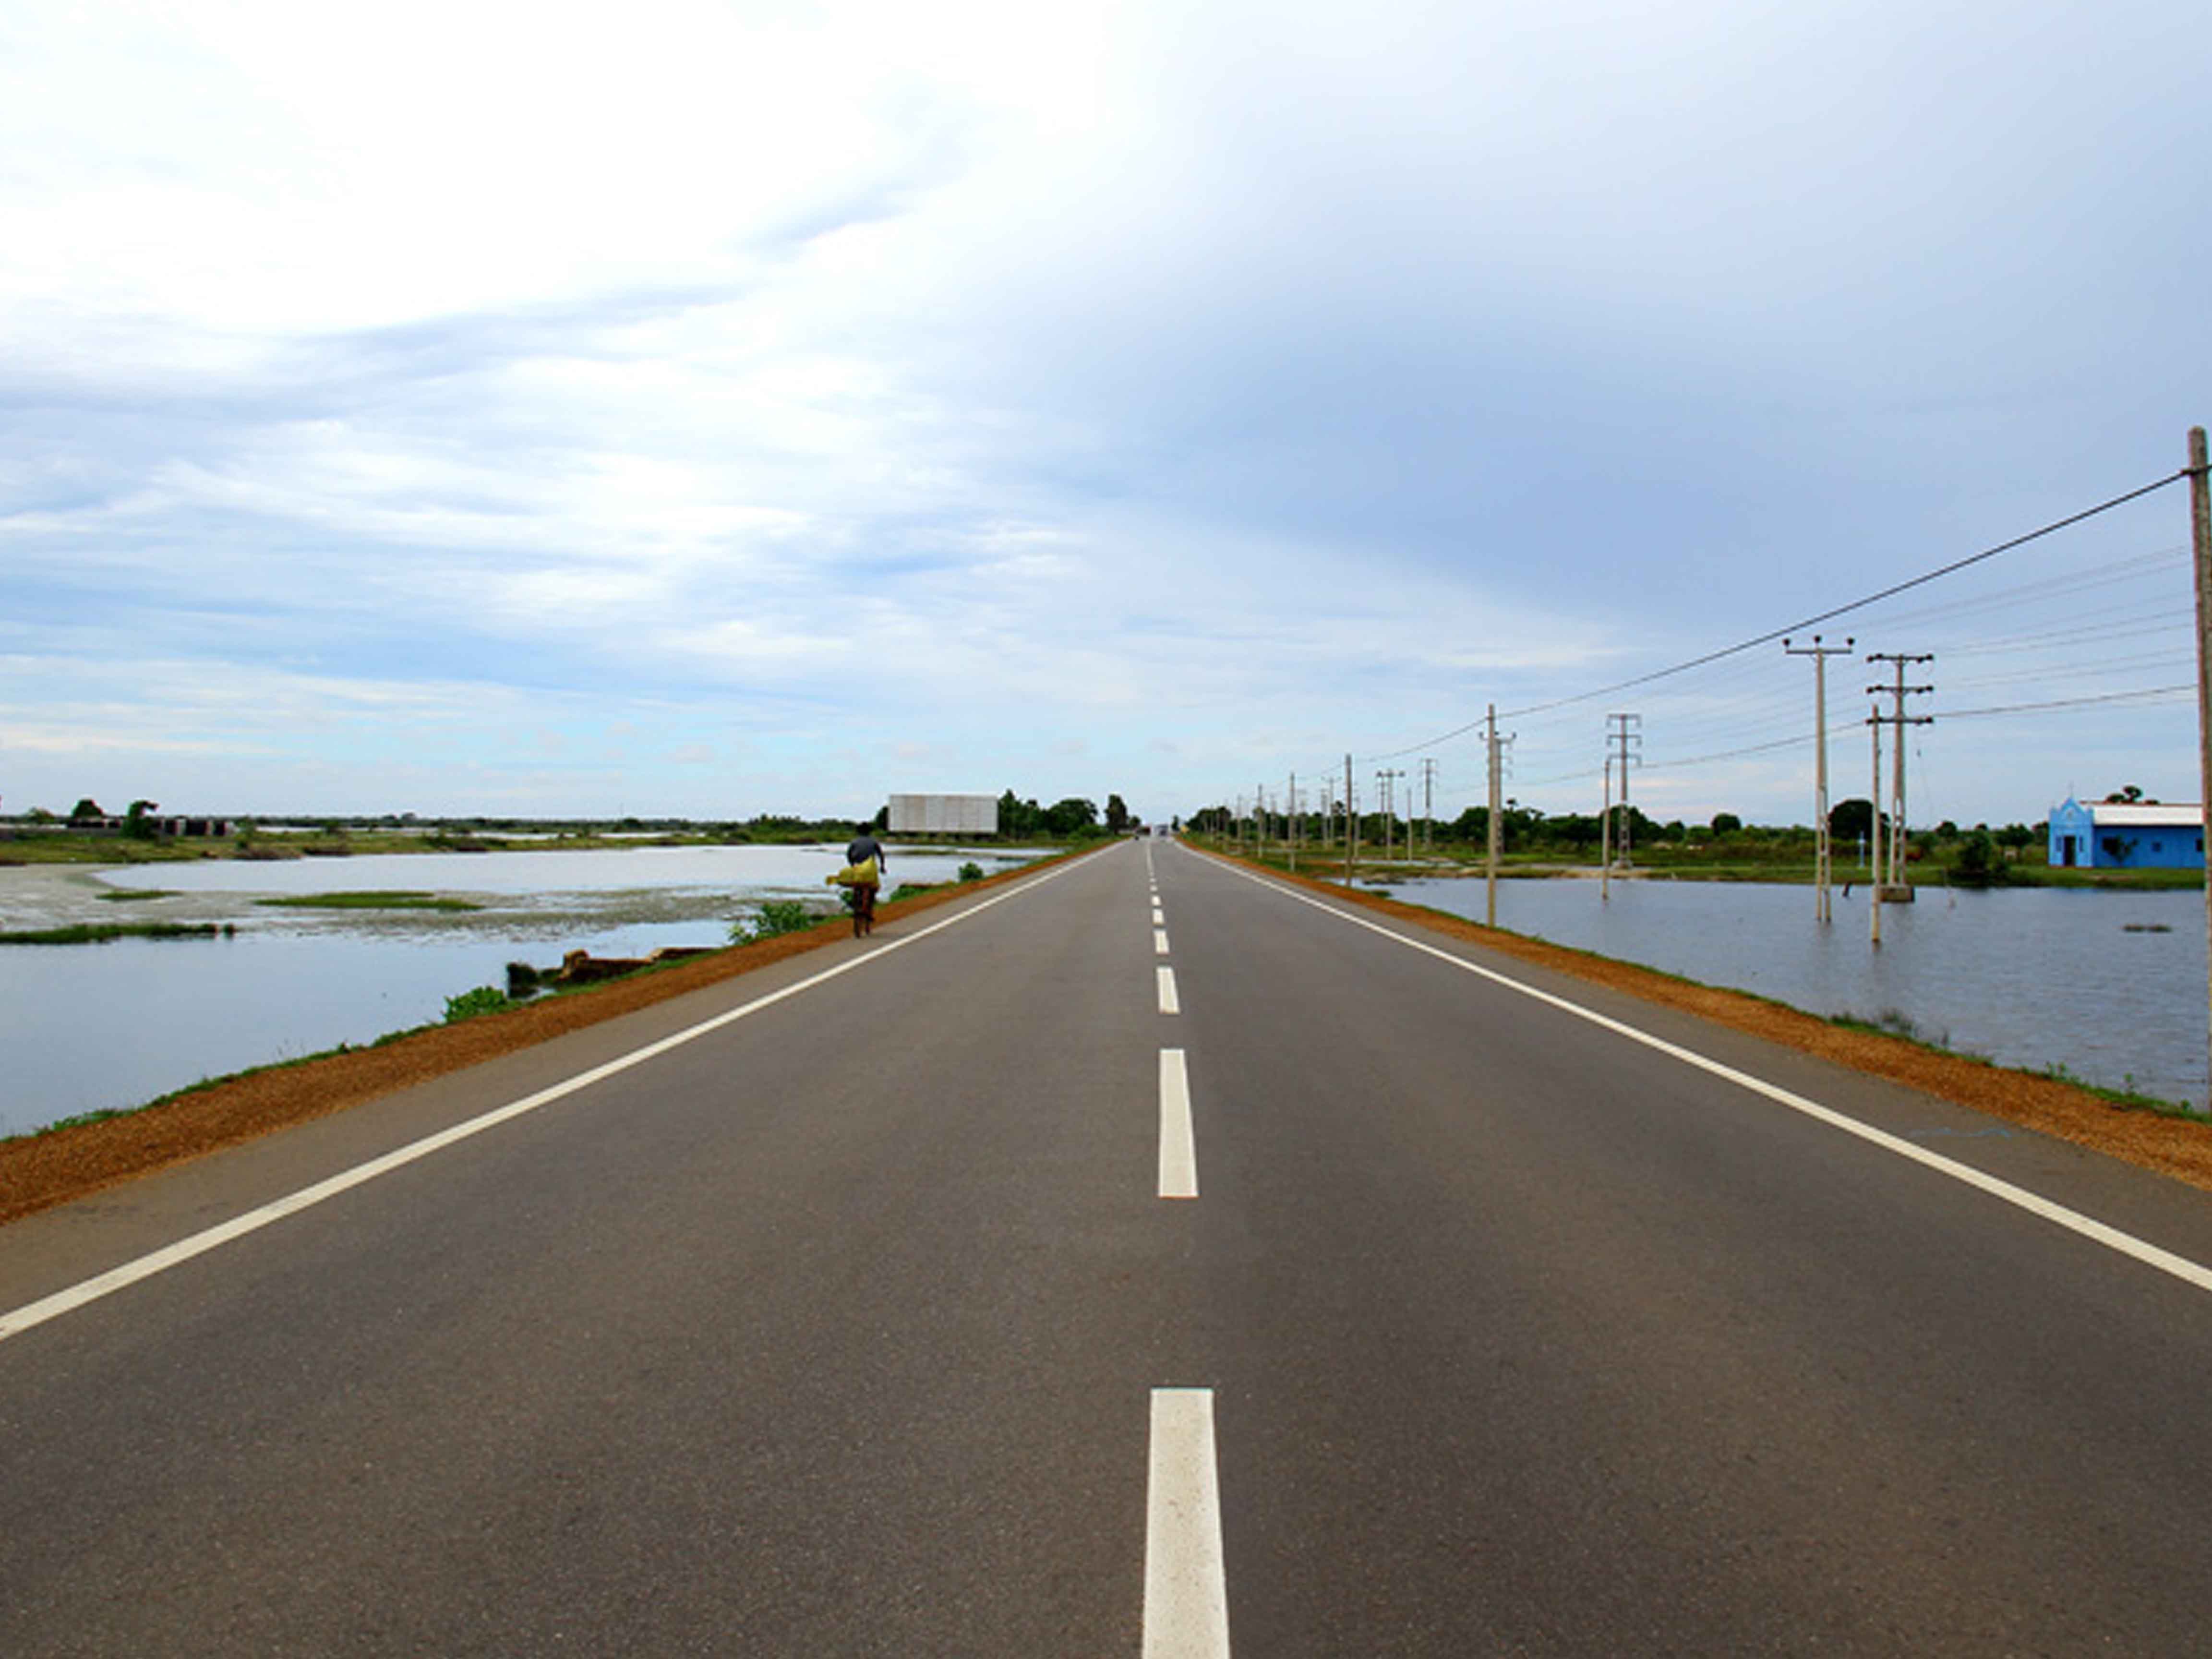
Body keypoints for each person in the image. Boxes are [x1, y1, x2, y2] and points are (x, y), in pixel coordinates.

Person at [844, 821, 887, 937]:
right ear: (870, 832)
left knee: (857, 886)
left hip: (858, 869)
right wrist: (882, 867)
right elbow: (881, 855)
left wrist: (852, 865)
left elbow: (849, 855)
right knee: (873, 889)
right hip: (870, 870)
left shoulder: (854, 842)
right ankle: (869, 907)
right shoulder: (874, 841)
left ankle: (855, 903)